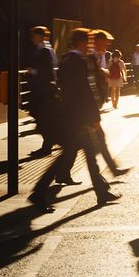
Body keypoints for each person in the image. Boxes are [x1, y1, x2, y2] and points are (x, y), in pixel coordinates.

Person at [31, 29, 119, 210]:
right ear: (82, 43)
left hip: (76, 116)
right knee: (68, 156)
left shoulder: (72, 59)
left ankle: (101, 191)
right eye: (89, 42)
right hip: (76, 118)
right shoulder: (75, 61)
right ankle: (39, 192)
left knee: (86, 154)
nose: (91, 46)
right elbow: (82, 92)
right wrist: (93, 117)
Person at [88, 30, 128, 177]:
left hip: (88, 111)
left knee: (83, 148)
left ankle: (111, 172)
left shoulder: (94, 57)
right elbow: (87, 86)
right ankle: (111, 174)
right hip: (86, 112)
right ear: (97, 41)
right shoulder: (88, 57)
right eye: (105, 43)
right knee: (84, 147)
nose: (106, 47)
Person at [27, 26, 59, 158]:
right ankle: (49, 144)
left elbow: (47, 71)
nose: (32, 38)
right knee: (43, 118)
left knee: (41, 117)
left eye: (34, 35)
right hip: (44, 89)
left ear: (40, 36)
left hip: (43, 90)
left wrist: (33, 71)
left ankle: (49, 144)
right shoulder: (45, 49)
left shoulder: (44, 50)